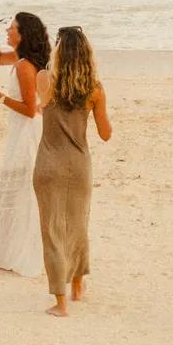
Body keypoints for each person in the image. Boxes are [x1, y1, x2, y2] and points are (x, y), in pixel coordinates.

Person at [32, 26, 112, 317]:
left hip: (48, 163)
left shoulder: (45, 79)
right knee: (78, 226)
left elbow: (41, 106)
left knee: (52, 231)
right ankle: (78, 285)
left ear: (58, 51)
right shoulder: (95, 88)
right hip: (79, 164)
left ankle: (61, 302)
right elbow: (105, 134)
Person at [0, 11, 51, 276]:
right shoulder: (21, 59)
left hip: (27, 131)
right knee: (17, 187)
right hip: (22, 129)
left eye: (12, 28)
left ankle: (19, 251)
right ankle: (9, 248)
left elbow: (30, 109)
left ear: (23, 34)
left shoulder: (24, 67)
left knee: (21, 187)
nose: (8, 31)